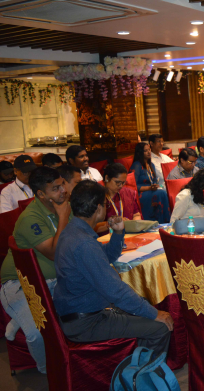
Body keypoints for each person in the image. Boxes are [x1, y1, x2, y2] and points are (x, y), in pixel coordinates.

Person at [53, 180, 172, 355]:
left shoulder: (73, 231)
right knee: (158, 327)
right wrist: (154, 314)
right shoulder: (84, 243)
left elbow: (105, 256)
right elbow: (115, 291)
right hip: (86, 322)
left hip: (78, 311)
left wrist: (118, 233)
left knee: (143, 305)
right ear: (98, 208)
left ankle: (137, 363)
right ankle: (141, 377)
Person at [0, 166, 71, 373]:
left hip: (52, 280)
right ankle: (45, 370)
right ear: (40, 194)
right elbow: (53, 252)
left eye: (62, 185)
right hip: (21, 283)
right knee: (38, 332)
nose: (63, 191)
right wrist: (64, 216)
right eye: (56, 188)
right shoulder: (31, 218)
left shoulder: (63, 205)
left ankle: (17, 318)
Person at [130, 142, 170, 223]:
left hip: (151, 190)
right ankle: (159, 222)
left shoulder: (151, 165)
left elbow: (154, 180)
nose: (149, 152)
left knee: (163, 192)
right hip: (140, 194)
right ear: (140, 153)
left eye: (149, 150)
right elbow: (133, 186)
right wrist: (149, 188)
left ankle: (165, 222)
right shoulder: (137, 165)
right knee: (161, 193)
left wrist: (156, 185)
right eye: (145, 151)